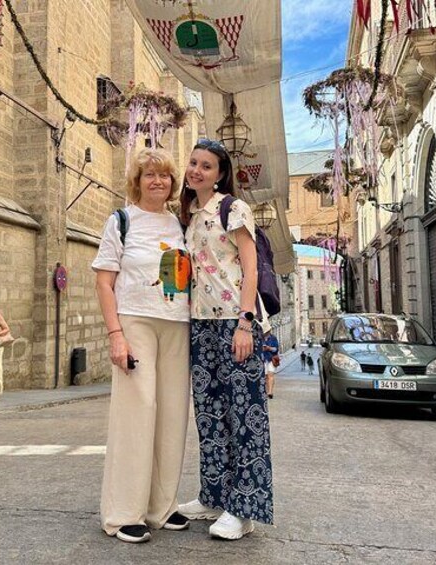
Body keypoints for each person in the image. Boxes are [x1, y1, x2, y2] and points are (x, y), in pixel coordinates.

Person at [92, 148, 191, 544]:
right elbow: (103, 281)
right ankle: (122, 513)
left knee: (171, 414)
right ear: (137, 181)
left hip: (177, 325)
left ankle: (160, 507)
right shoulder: (121, 221)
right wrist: (115, 334)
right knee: (137, 412)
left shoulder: (180, 223)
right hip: (135, 322)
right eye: (149, 175)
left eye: (164, 176)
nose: (158, 181)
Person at [177, 138, 274, 540]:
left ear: (220, 174)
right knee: (210, 415)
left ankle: (244, 508)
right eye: (193, 163)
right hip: (200, 324)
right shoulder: (191, 215)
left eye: (206, 166)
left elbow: (250, 270)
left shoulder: (232, 208)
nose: (197, 170)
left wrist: (245, 323)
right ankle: (214, 495)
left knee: (244, 417)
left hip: (236, 322)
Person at [263, 331, 280, 399]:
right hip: (263, 359)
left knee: (270, 375)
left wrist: (269, 348)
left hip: (271, 359)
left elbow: (276, 349)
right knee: (266, 376)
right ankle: (267, 391)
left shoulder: (273, 338)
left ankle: (270, 392)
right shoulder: (260, 337)